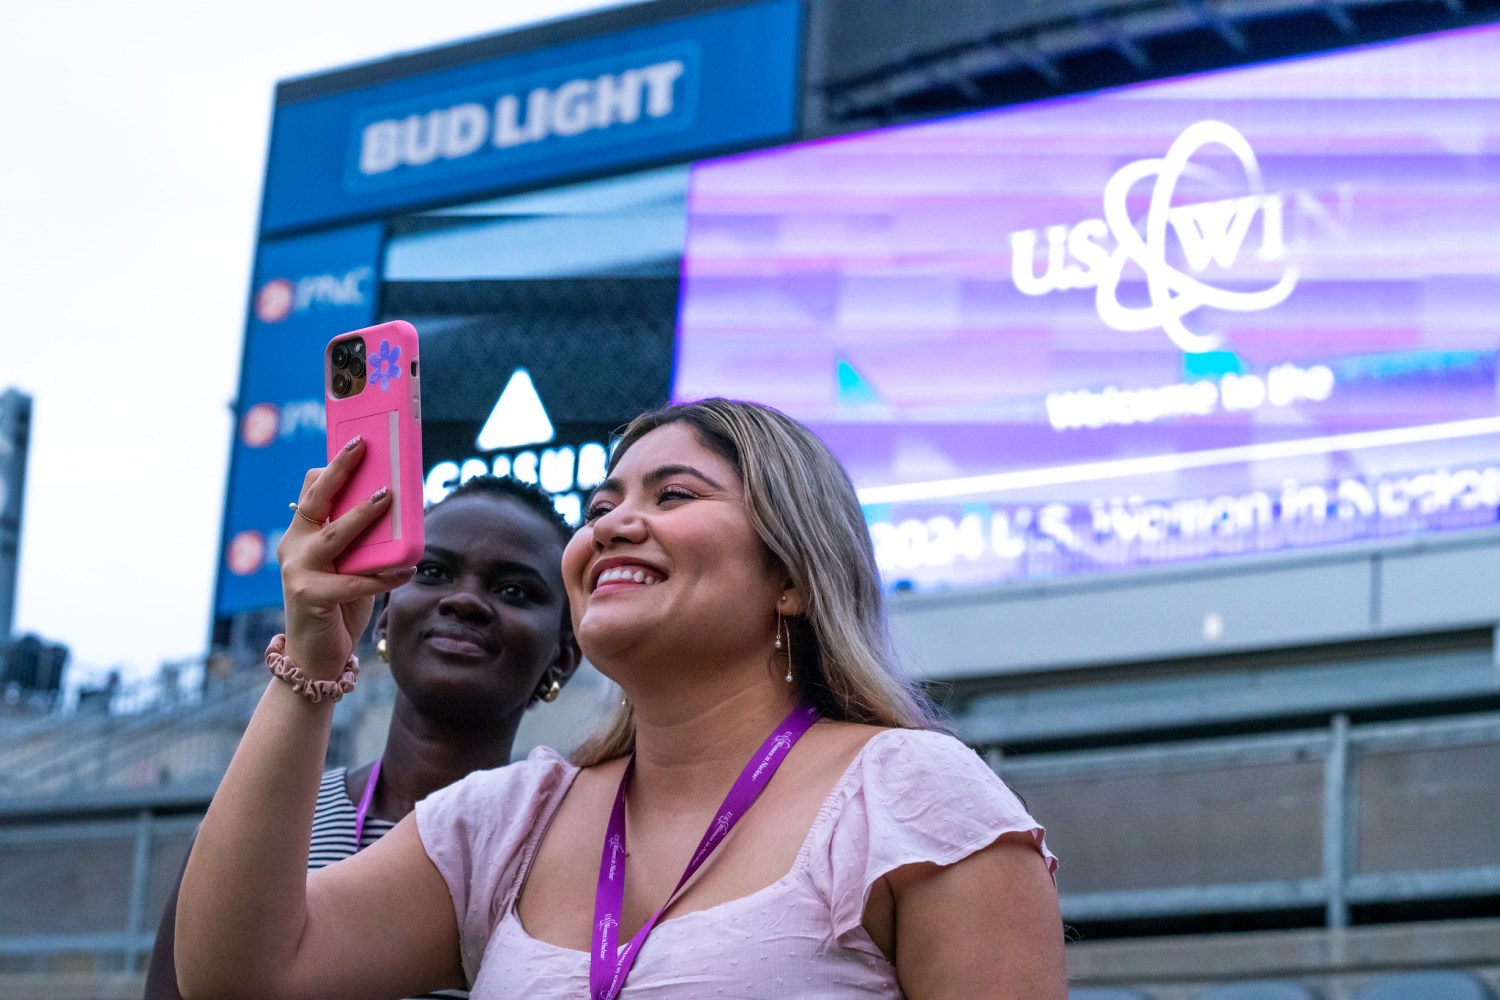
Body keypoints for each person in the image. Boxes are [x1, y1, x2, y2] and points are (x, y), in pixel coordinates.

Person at [176, 399, 1066, 999]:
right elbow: (239, 973)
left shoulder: (911, 796)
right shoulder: (505, 821)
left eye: (672, 494)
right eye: (601, 507)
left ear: (792, 577)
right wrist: (312, 660)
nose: (611, 525)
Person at [147, 475, 580, 1000]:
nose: (464, 601)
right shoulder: (254, 830)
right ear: (384, 618)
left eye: (514, 590)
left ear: (563, 656)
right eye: (433, 572)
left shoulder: (576, 852)